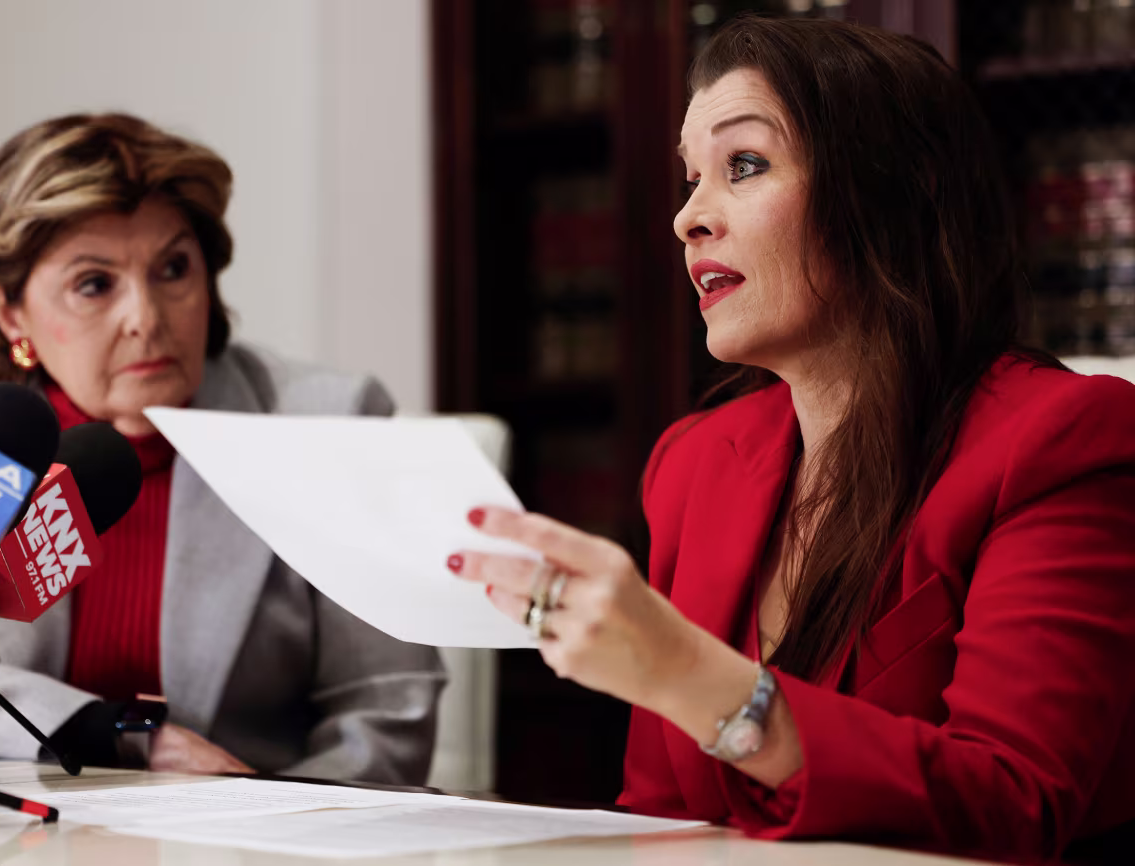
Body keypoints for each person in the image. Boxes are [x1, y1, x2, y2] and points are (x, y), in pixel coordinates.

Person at [448, 16, 1135, 863]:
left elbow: (1014, 804)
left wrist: (688, 676)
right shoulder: (693, 461)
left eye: (744, 166)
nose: (687, 219)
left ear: (894, 191)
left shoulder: (1064, 437)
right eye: (689, 178)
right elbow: (662, 819)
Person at [0, 112, 444, 784]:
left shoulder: (325, 426)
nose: (145, 318)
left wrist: (272, 834)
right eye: (95, 284)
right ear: (9, 313)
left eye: (173, 268)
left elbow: (385, 708)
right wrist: (116, 734)